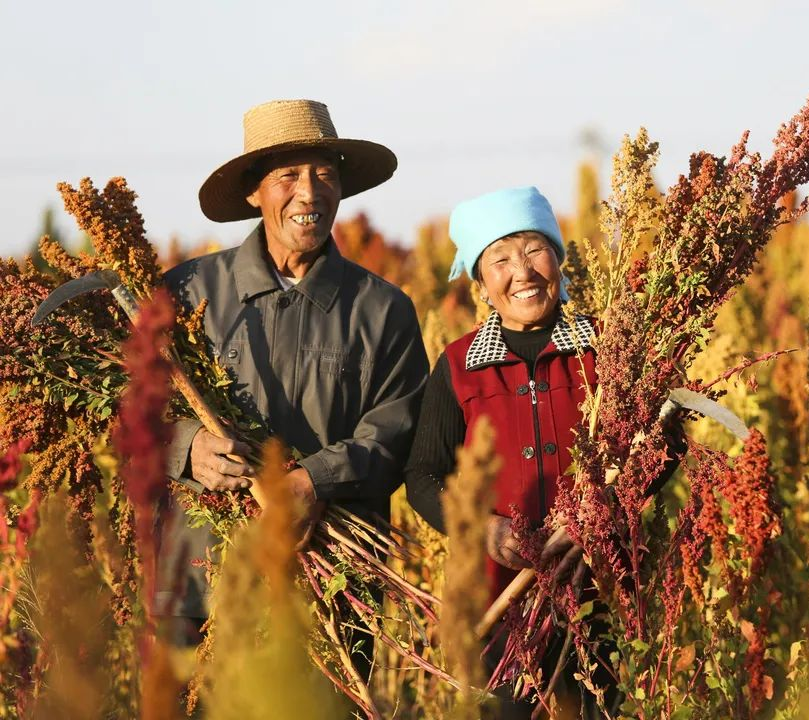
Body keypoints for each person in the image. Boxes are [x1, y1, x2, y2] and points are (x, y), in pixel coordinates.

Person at [159, 99, 429, 650]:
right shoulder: (185, 294)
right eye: (288, 176)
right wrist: (185, 449)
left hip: (328, 591)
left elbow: (398, 434)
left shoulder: (382, 310)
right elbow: (131, 409)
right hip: (200, 587)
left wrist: (315, 480)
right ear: (254, 191)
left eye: (324, 175)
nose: (310, 192)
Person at [404, 186, 599, 715]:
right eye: (500, 259)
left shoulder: (606, 350)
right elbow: (422, 477)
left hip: (602, 595)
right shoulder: (458, 365)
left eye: (535, 250)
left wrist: (597, 516)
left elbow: (662, 448)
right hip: (501, 600)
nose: (523, 272)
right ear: (482, 284)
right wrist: (481, 528)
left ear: (559, 260)